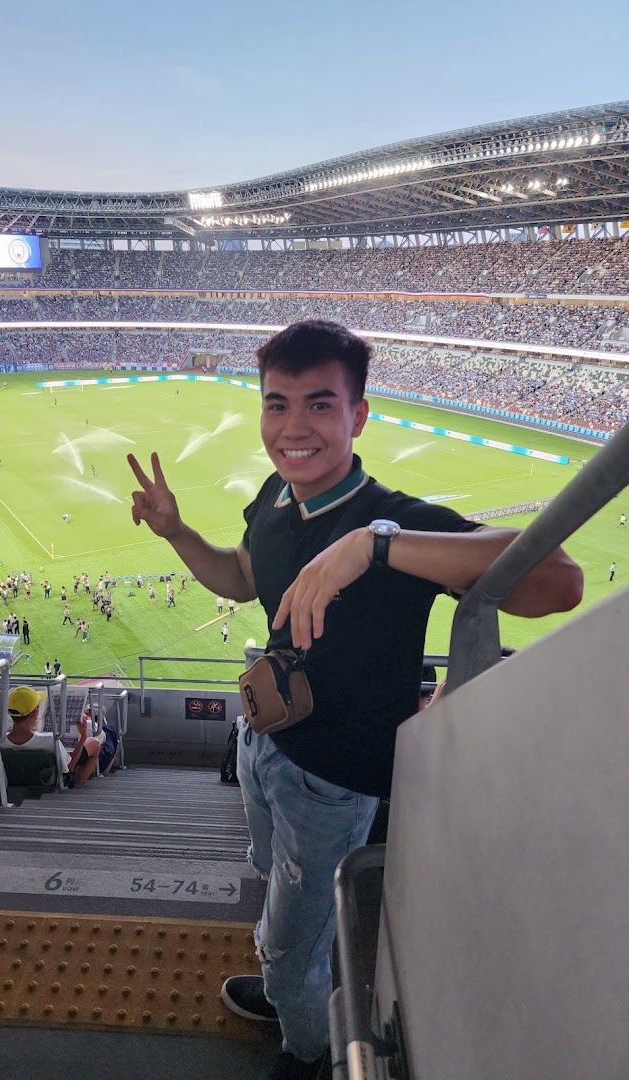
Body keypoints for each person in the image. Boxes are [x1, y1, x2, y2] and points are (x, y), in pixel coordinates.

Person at [126, 319, 583, 1079]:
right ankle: (291, 986)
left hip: (333, 785)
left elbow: (559, 580)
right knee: (272, 882)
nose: (293, 427)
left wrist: (376, 545)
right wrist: (176, 532)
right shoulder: (274, 496)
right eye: (277, 404)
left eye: (319, 404)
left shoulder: (398, 522)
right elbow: (241, 577)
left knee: (289, 948)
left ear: (358, 415)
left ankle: (306, 1047)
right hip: (263, 742)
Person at [0, 687, 104, 787]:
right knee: (95, 744)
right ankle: (78, 784)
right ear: (35, 712)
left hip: (15, 784)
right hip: (48, 785)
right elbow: (69, 767)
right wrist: (83, 737)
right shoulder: (50, 740)